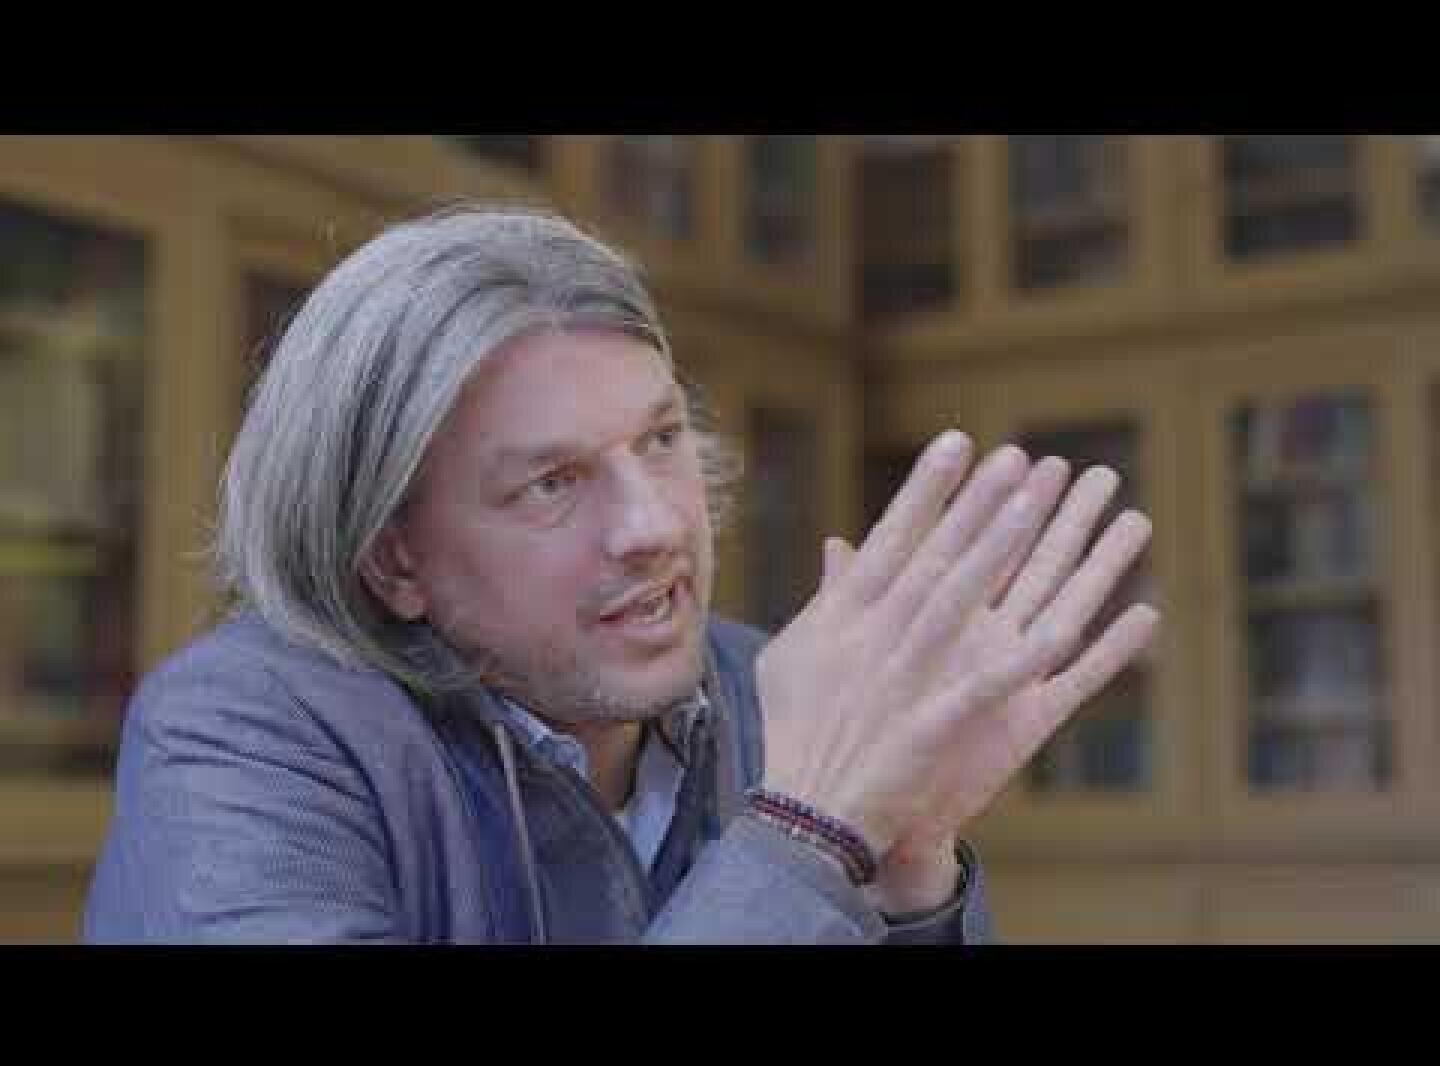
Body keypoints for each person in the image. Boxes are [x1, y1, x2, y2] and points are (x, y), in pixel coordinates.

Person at [82, 204, 1158, 944]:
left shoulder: (767, 684)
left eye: (658, 440)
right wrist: (807, 832)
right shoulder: (238, 730)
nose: (652, 526)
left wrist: (910, 870)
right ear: (393, 556)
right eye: (551, 483)